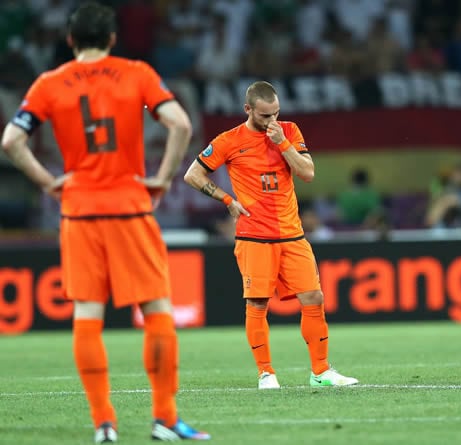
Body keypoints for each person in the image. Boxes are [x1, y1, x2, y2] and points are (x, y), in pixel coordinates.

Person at [0, 2, 210, 442]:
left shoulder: (48, 83)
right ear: (113, 38)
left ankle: (104, 424)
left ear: (71, 40)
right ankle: (166, 419)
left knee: (86, 314)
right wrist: (162, 178)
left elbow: (11, 140)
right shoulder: (136, 73)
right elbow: (181, 124)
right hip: (131, 205)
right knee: (156, 310)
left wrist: (47, 181)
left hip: (78, 210)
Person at [183, 80, 358, 389]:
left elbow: (307, 173)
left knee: (314, 297)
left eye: (276, 114)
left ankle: (321, 372)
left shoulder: (289, 131)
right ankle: (266, 373)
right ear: (248, 110)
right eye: (265, 116)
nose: (272, 122)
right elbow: (193, 174)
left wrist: (283, 144)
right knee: (258, 303)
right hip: (254, 236)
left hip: (292, 233)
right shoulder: (229, 140)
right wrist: (226, 200)